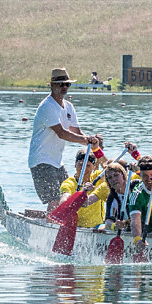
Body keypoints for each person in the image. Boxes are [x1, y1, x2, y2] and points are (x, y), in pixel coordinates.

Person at [28, 68, 101, 211]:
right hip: (41, 160)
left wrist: (92, 141)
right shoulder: (47, 106)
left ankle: (62, 224)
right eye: (60, 84)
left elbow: (77, 133)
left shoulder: (69, 107)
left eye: (67, 84)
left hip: (57, 162)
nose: (64, 87)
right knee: (55, 199)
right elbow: (62, 133)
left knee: (68, 193)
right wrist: (86, 140)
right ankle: (51, 227)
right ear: (51, 85)